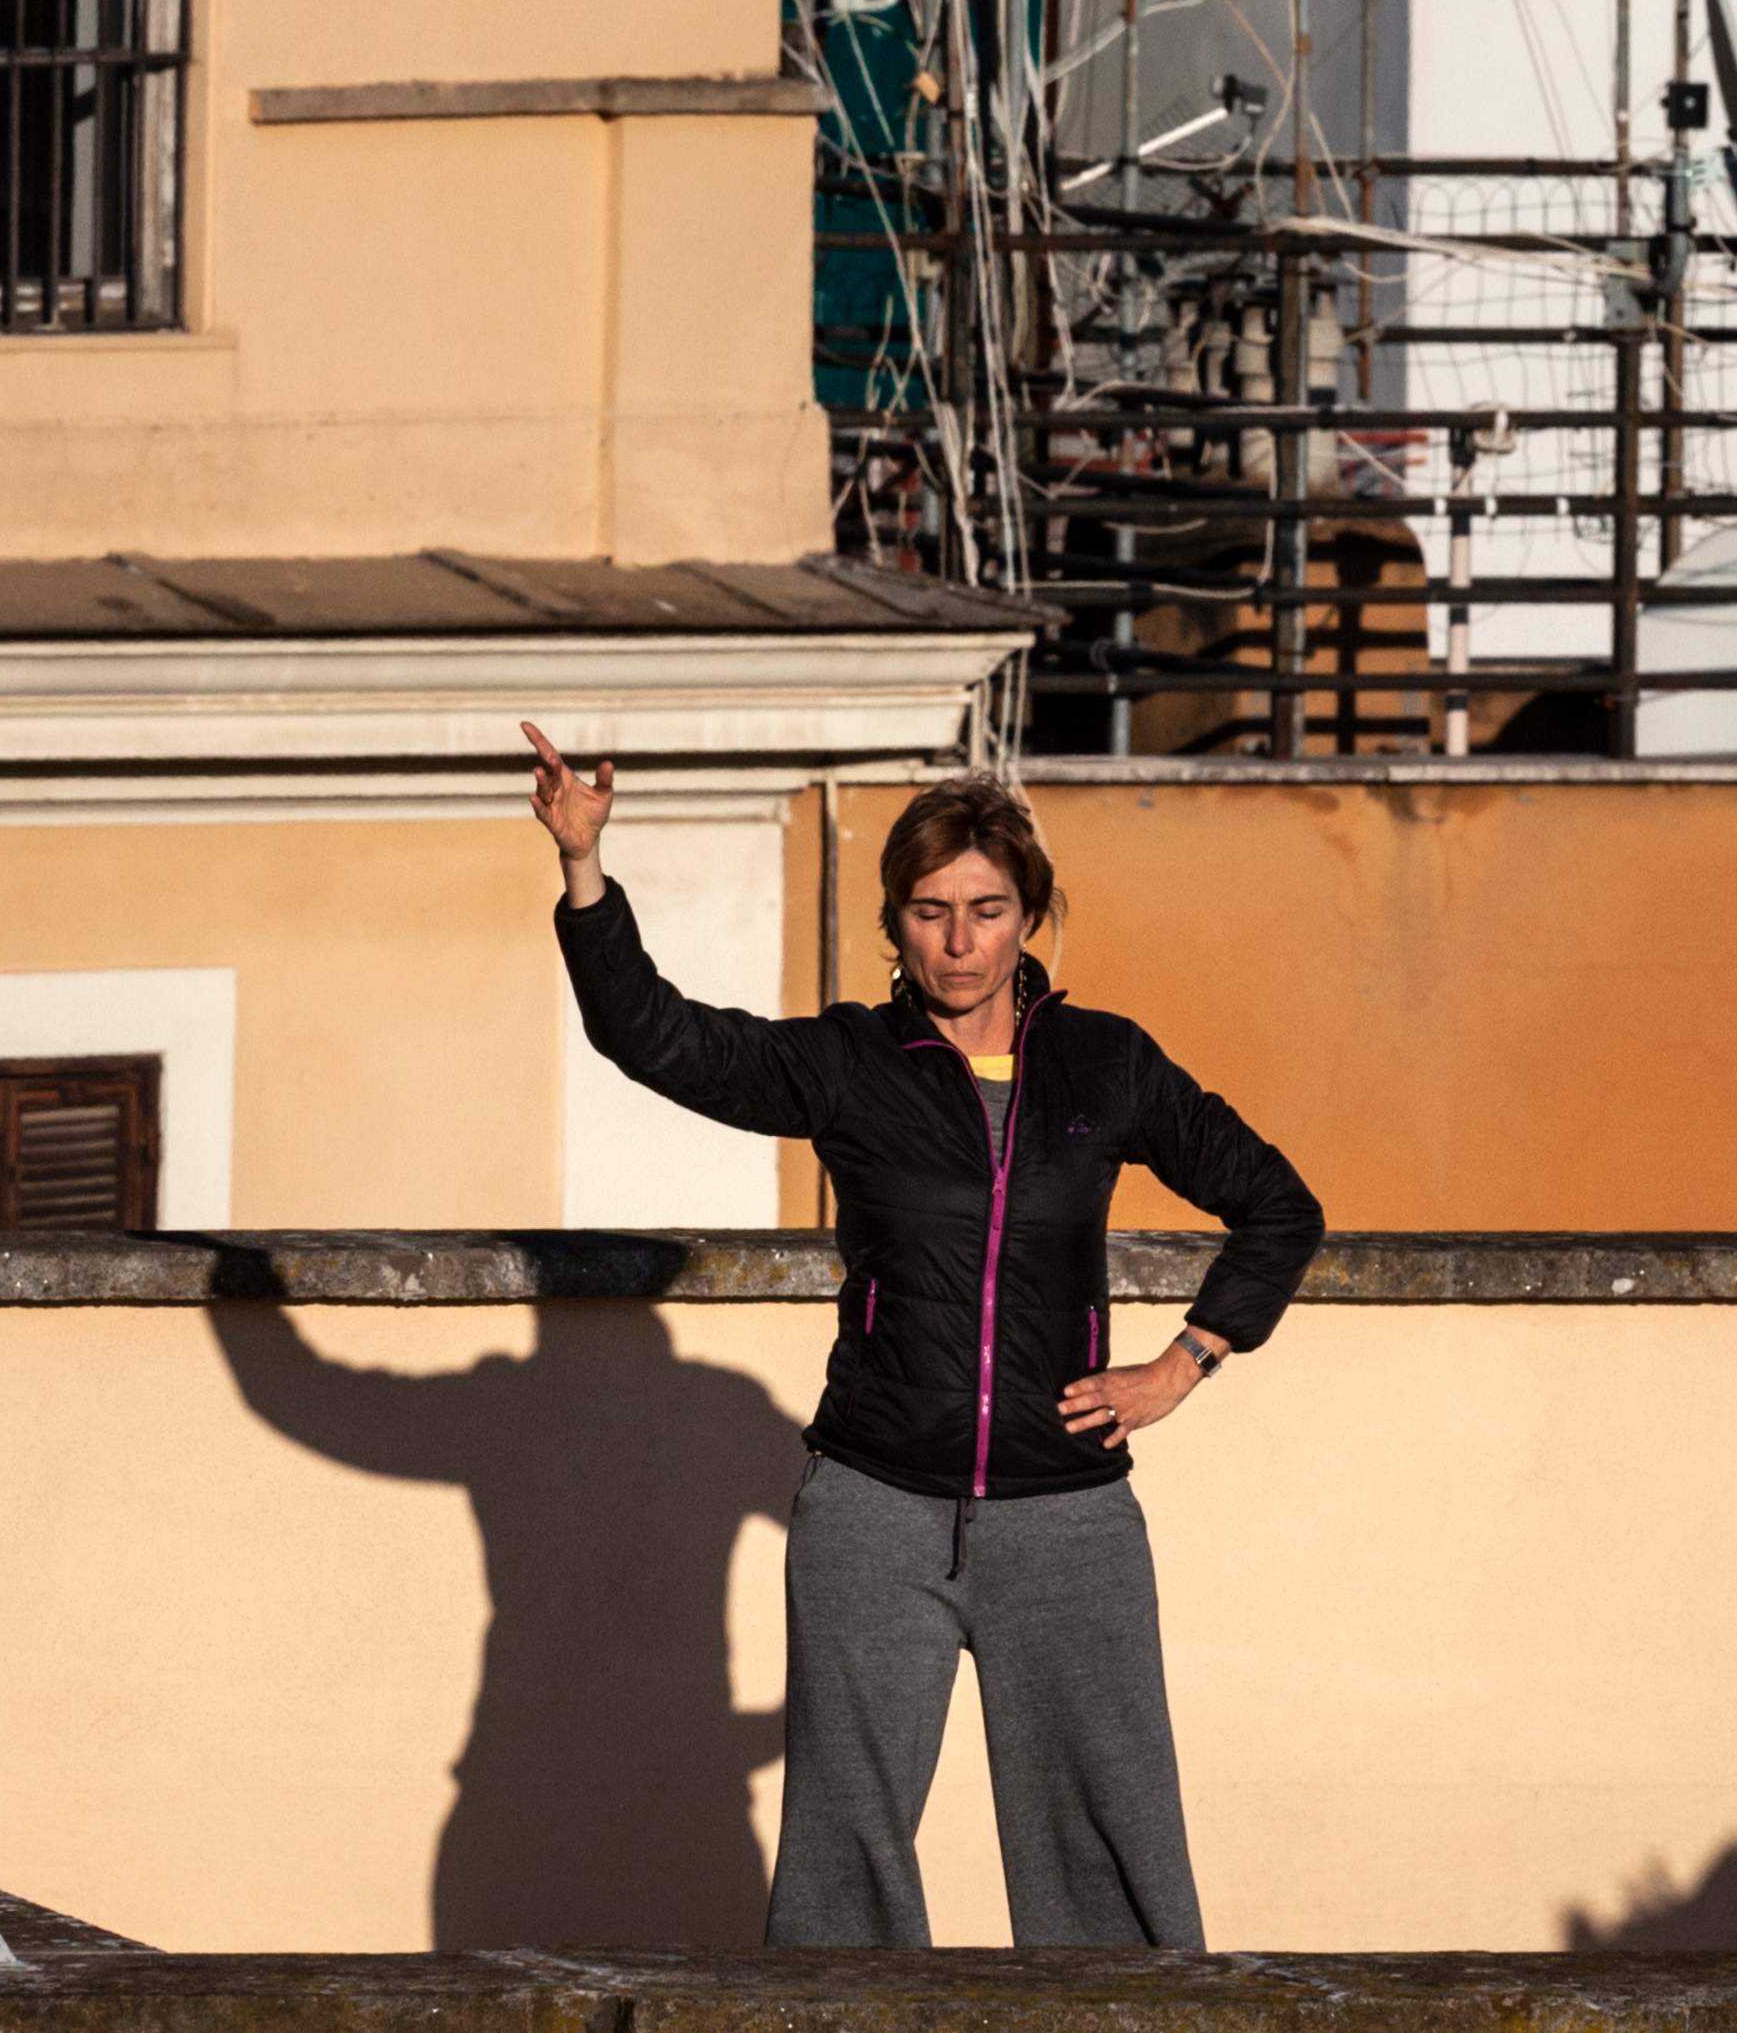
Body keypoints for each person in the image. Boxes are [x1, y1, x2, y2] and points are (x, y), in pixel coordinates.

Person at [525, 732, 1322, 1951]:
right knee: (846, 1843)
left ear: (1031, 917)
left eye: (988, 910)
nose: (959, 942)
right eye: (930, 911)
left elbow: (1279, 1203)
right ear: (894, 923)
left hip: (1068, 1514)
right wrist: (585, 864)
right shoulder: (846, 1063)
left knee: (1109, 1841)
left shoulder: (1103, 1061)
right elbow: (657, 1037)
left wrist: (1185, 1361)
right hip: (874, 1508)